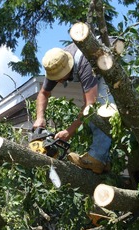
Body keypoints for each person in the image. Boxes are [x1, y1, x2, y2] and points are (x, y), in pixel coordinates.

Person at [33, 43, 114, 174]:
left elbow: (90, 105)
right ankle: (105, 161)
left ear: (68, 68)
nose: (58, 81)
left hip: (108, 60)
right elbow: (43, 93)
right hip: (95, 66)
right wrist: (39, 118)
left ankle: (97, 158)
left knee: (101, 107)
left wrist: (69, 131)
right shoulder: (55, 64)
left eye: (60, 77)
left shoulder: (84, 63)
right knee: (93, 110)